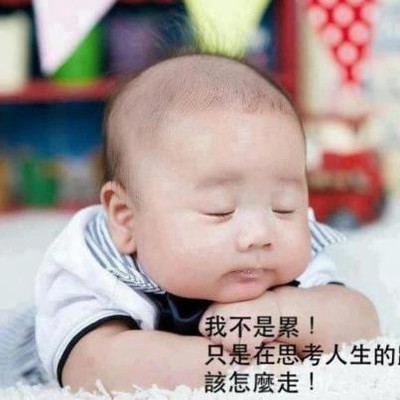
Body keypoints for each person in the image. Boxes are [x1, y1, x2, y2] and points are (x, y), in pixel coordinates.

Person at [1, 53, 379, 393]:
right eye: (220, 211)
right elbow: (94, 365)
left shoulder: (287, 253)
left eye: (283, 207)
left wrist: (280, 314)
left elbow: (360, 323)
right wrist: (233, 366)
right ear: (126, 219)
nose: (260, 234)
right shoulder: (97, 262)